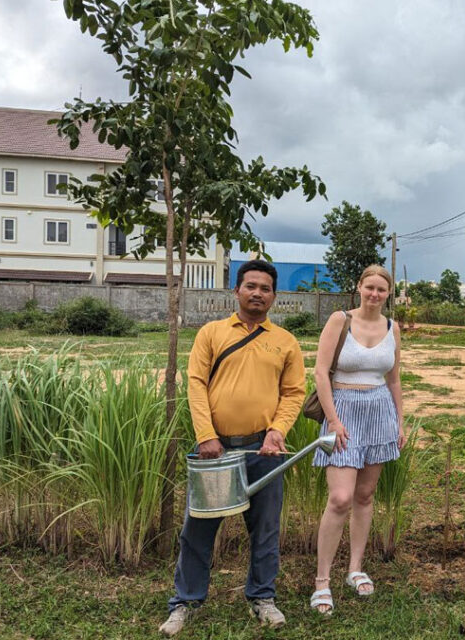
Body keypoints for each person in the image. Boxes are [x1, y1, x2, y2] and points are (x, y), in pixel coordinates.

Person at [159, 259, 306, 636]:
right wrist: (207, 435)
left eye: (265, 288)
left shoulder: (285, 342)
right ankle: (186, 602)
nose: (258, 293)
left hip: (264, 451)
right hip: (216, 451)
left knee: (266, 528)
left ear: (274, 296)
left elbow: (292, 394)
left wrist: (277, 431)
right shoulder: (212, 333)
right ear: (236, 291)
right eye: (251, 286)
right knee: (198, 529)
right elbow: (196, 384)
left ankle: (262, 597)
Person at [309, 265, 405, 615]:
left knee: (365, 495)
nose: (375, 294)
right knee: (340, 497)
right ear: (359, 287)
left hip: (380, 411)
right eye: (370, 288)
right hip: (344, 411)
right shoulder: (340, 320)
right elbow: (321, 371)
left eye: (382, 289)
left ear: (388, 293)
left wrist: (400, 421)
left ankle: (355, 568)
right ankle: (322, 581)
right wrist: (333, 420)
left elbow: (394, 380)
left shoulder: (392, 328)